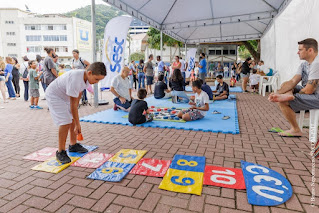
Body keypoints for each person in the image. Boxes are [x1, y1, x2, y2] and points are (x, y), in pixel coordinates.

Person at [46, 62, 106, 163]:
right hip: (54, 96)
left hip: (64, 96)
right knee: (65, 122)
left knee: (71, 118)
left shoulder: (86, 78)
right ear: (90, 73)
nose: (97, 82)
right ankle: (60, 151)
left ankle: (73, 145)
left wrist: (76, 121)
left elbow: (76, 103)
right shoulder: (75, 79)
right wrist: (78, 124)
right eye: (96, 79)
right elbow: (73, 105)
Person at [268, 38, 319, 137]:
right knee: (285, 85)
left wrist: (290, 95)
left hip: (316, 97)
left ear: (310, 50)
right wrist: (278, 93)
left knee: (282, 101)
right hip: (310, 93)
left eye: (300, 50)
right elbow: (293, 81)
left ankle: (296, 129)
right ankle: (288, 96)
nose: (297, 52)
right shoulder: (304, 64)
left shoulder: (317, 64)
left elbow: (309, 90)